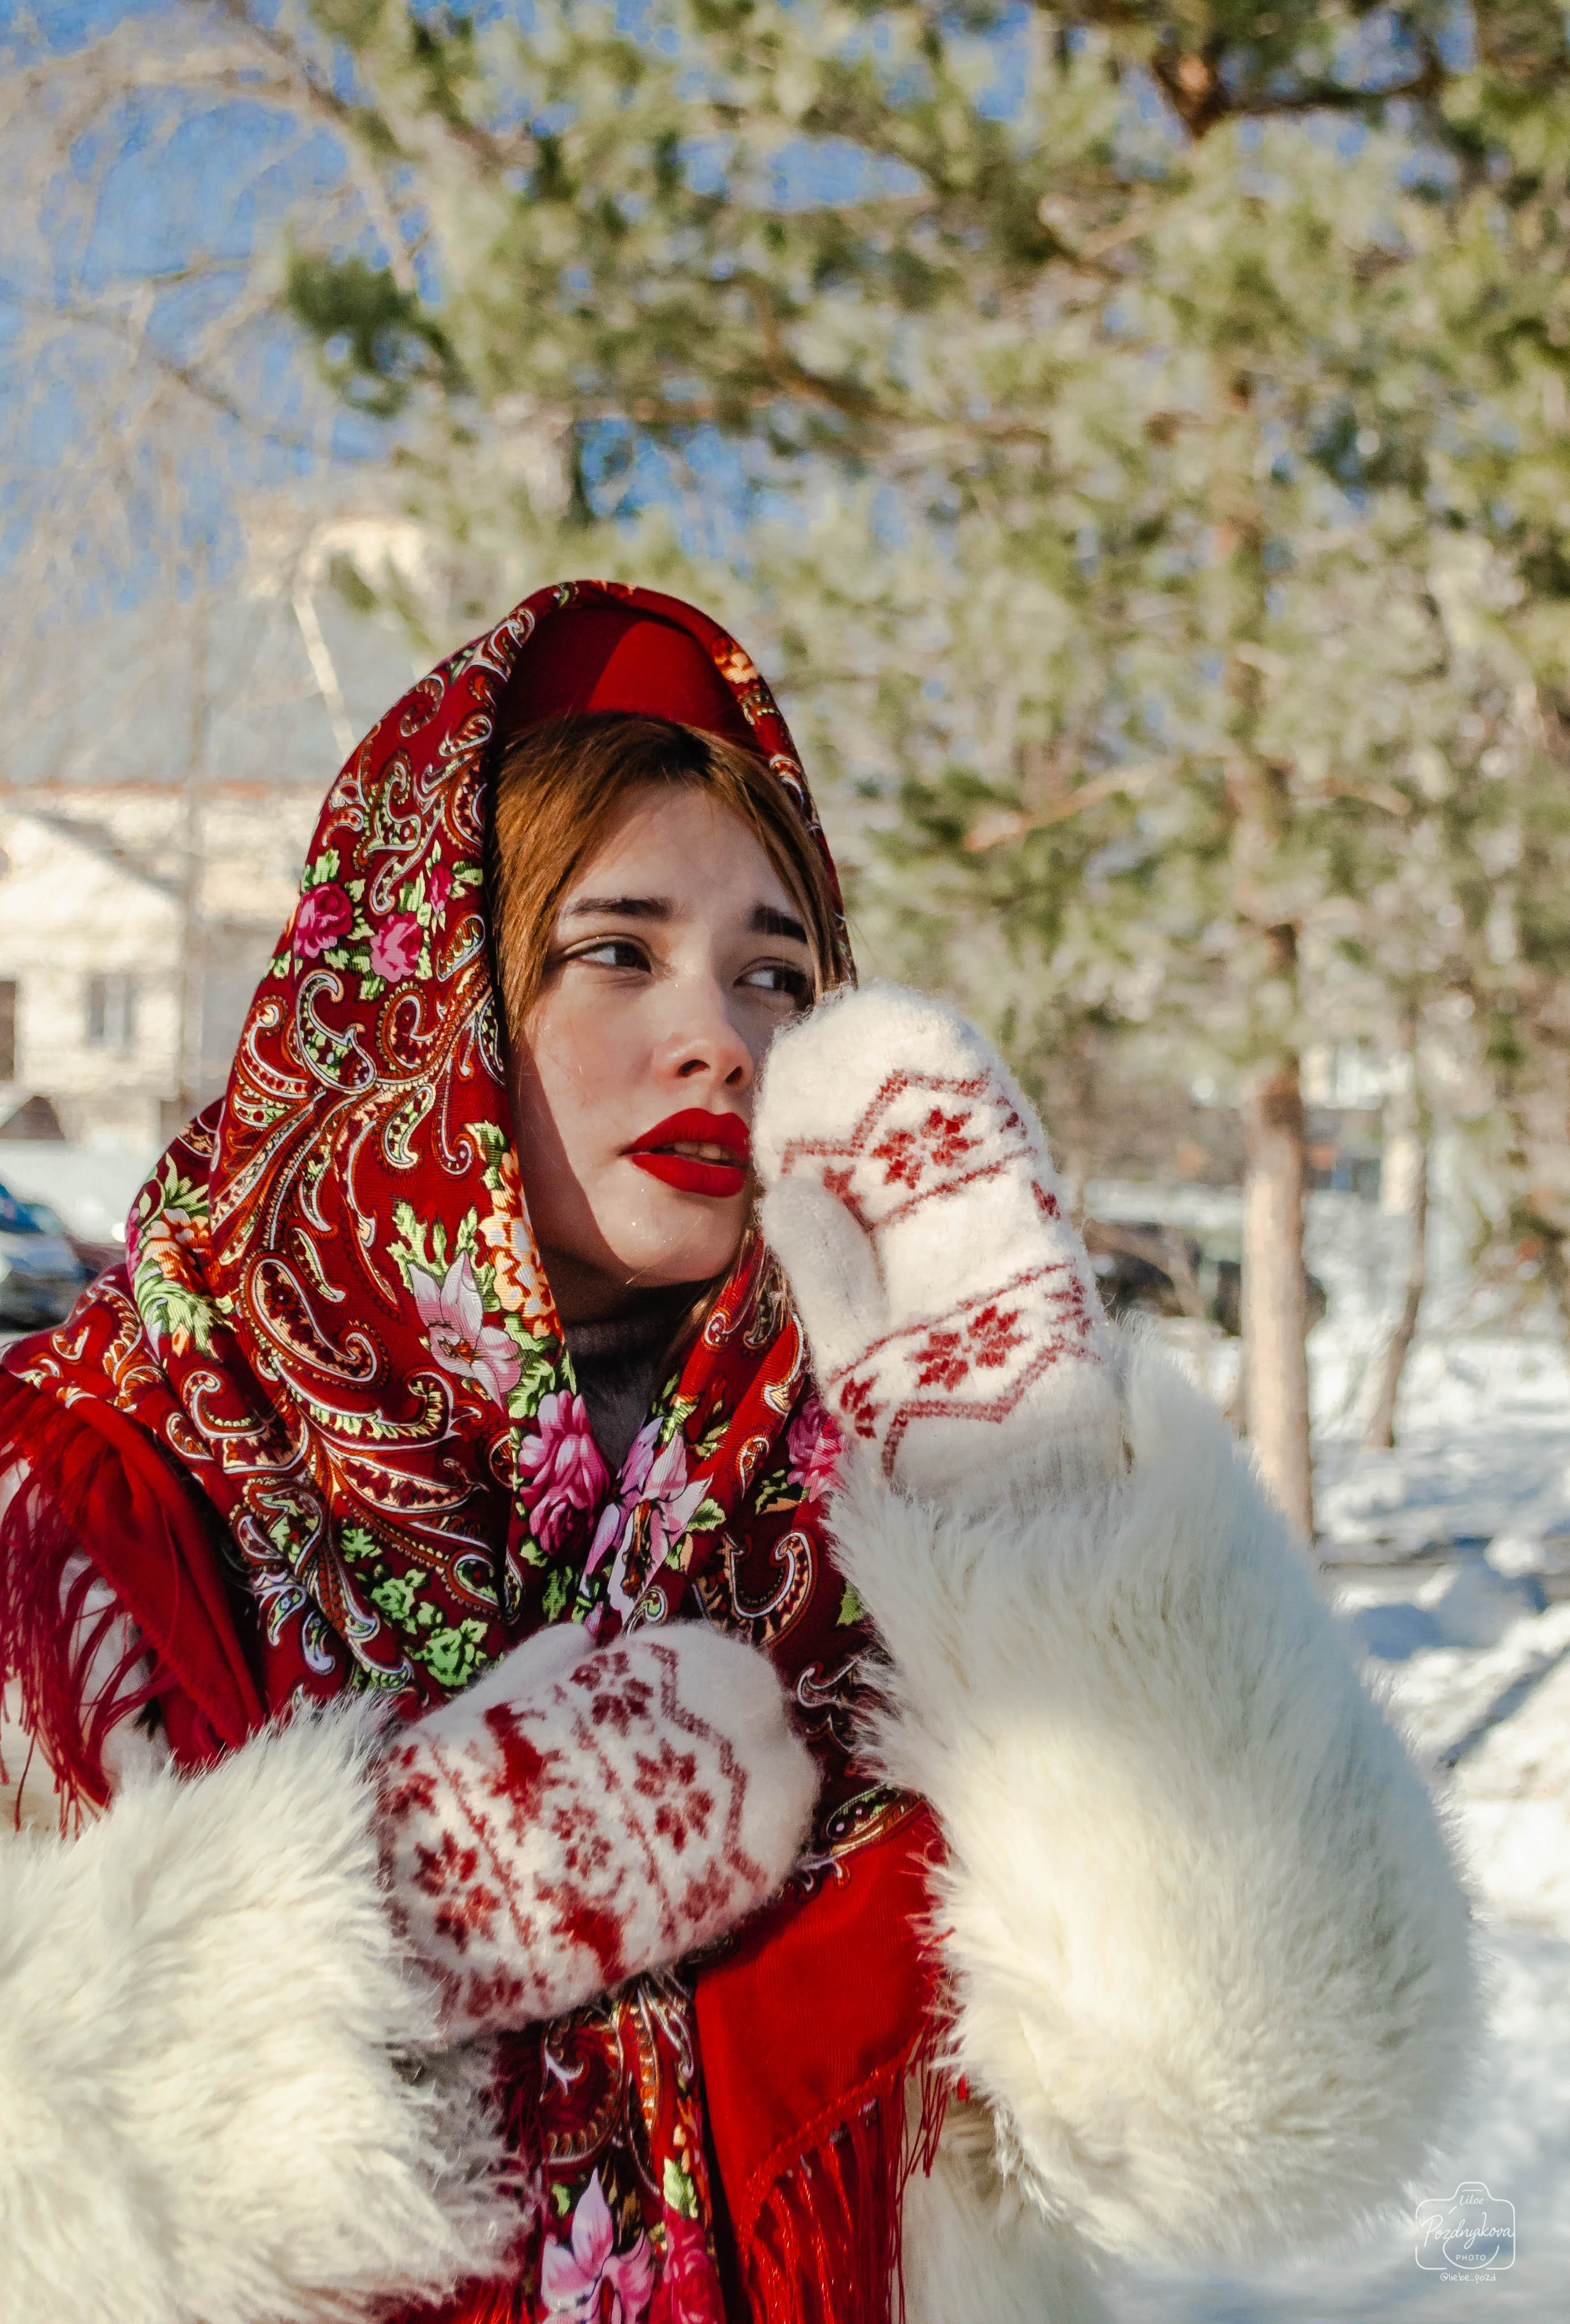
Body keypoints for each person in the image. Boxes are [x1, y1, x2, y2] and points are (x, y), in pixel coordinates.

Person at [0, 581, 1473, 2324]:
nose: (728, 1032)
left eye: (779, 970)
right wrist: (375, 1928)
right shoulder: (92, 1501)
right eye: (618, 949)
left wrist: (1072, 1567)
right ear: (424, 982)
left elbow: (1272, 2118)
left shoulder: (889, 1520)